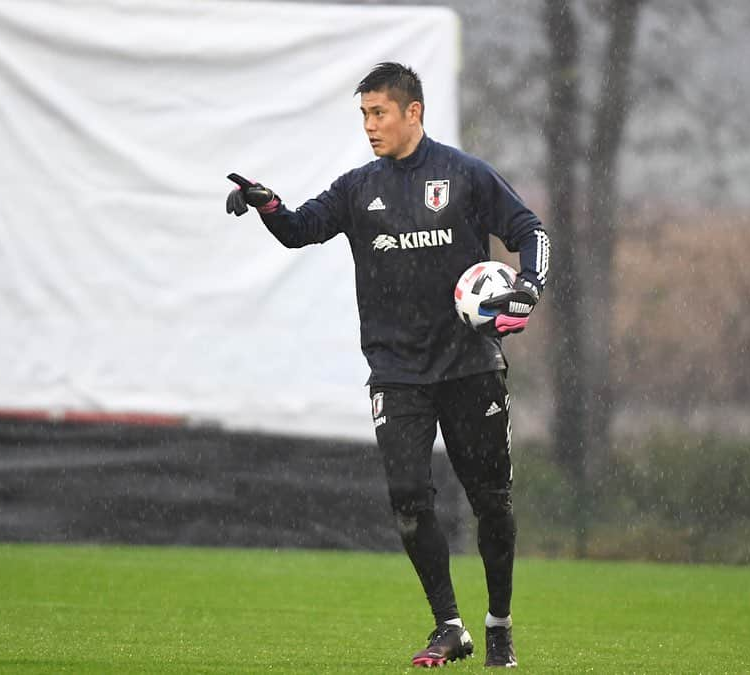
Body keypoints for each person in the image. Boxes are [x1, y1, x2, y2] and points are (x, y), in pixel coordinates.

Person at [226, 62, 549, 669]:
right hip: (397, 371)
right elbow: (299, 230)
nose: (370, 126)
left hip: (469, 366)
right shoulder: (356, 187)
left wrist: (529, 284)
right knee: (407, 496)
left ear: (413, 113)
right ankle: (448, 626)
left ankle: (499, 623)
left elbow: (531, 230)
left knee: (492, 505)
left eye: (379, 113)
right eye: (364, 115)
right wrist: (265, 203)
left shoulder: (465, 176)